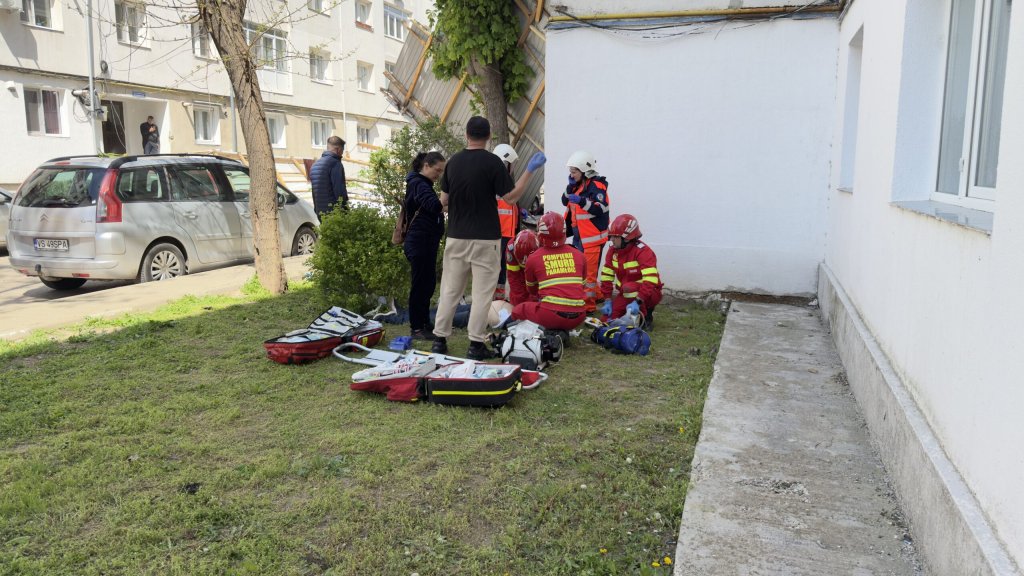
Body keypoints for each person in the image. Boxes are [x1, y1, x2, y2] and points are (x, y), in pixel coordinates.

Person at [431, 116, 546, 360]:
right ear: (488, 137)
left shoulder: (453, 163)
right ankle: (475, 344)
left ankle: (439, 340)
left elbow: (443, 202)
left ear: (466, 135)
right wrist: (529, 171)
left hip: (457, 237)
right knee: (483, 294)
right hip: (486, 239)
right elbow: (511, 198)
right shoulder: (493, 163)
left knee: (450, 290)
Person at [509, 212, 588, 332]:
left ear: (540, 234)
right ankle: (560, 331)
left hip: (550, 315)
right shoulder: (579, 255)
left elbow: (532, 290)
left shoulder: (534, 258)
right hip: (579, 316)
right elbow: (582, 285)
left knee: (519, 309)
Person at [402, 151, 446, 341]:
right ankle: (417, 327)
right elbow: (434, 206)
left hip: (427, 241)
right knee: (420, 285)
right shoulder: (418, 184)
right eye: (437, 170)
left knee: (428, 284)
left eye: (441, 171)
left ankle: (425, 322)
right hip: (419, 242)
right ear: (426, 166)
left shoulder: (422, 184)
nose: (439, 175)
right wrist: (446, 195)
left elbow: (434, 207)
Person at [562, 150, 609, 312]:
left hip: (592, 238)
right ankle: (598, 295)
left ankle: (588, 306)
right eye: (571, 172)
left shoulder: (597, 186)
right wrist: (570, 186)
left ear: (585, 171)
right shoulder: (577, 185)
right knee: (583, 271)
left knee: (589, 275)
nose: (571, 175)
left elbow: (600, 208)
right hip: (579, 237)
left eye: (574, 172)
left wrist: (582, 201)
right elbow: (564, 201)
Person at [599, 213, 664, 327]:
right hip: (626, 293)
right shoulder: (612, 251)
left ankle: (645, 316)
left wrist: (638, 301)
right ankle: (630, 313)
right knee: (606, 320)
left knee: (629, 287)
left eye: (615, 237)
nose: (611, 239)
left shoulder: (643, 252)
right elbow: (606, 276)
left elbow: (650, 280)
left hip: (649, 293)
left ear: (626, 238)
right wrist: (607, 299)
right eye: (611, 236)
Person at [492, 143, 520, 301]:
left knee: (503, 267)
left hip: (507, 233)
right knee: (496, 267)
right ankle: (493, 299)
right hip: (498, 233)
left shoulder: (504, 181)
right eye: (511, 164)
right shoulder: (495, 182)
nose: (512, 168)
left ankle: (499, 297)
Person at [309, 135, 348, 220]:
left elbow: (314, 192)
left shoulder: (315, 165)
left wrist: (317, 210)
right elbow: (339, 190)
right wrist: (345, 211)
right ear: (338, 149)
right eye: (342, 151)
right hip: (334, 213)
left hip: (320, 212)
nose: (342, 154)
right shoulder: (335, 163)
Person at [504, 229, 539, 307]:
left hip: (535, 272)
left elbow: (541, 278)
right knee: (517, 299)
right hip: (519, 272)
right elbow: (514, 278)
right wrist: (519, 305)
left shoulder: (542, 246)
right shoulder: (511, 248)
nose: (524, 263)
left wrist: (533, 300)